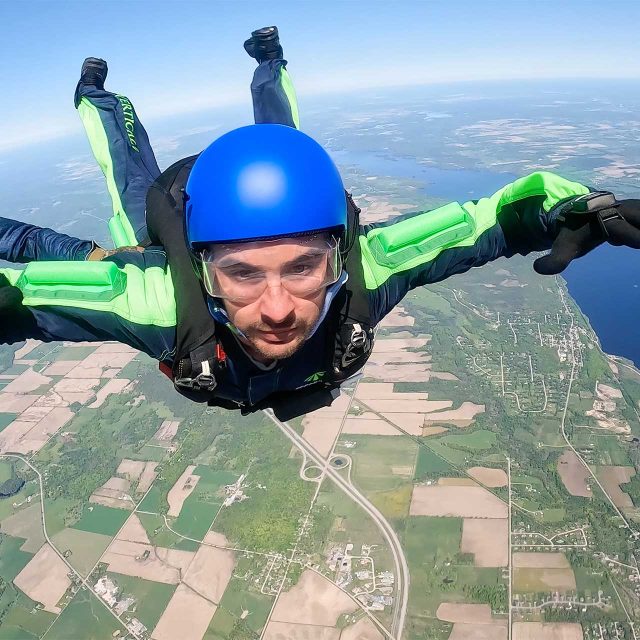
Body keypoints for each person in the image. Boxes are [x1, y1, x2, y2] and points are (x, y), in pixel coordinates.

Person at [1, 27, 640, 417]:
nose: (277, 309)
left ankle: (268, 59)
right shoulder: (159, 297)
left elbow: (485, 222)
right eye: (243, 275)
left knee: (289, 153)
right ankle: (98, 97)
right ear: (200, 273)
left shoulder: (363, 270)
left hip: (247, 207)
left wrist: (558, 207)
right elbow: (24, 294)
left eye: (304, 268)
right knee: (127, 191)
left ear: (339, 256)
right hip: (178, 206)